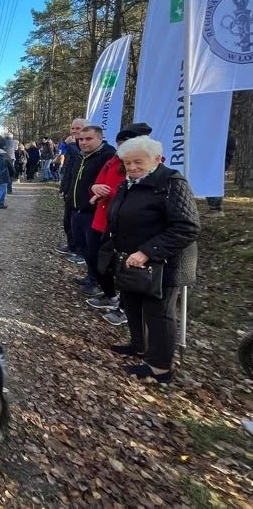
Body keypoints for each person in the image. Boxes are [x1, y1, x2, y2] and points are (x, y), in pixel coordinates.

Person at [106, 136, 199, 384]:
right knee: (132, 303)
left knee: (159, 313)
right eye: (127, 163)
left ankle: (160, 368)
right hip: (133, 259)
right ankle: (138, 346)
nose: (132, 167)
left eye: (138, 162)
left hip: (165, 262)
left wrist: (147, 251)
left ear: (157, 159)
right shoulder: (130, 182)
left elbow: (187, 227)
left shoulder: (171, 183)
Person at [84, 123, 153, 322]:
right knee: (96, 259)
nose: (122, 147)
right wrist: (95, 189)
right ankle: (110, 295)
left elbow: (135, 194)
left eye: (126, 143)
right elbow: (97, 184)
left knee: (123, 267)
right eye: (121, 143)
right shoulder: (113, 161)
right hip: (101, 219)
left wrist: (110, 194)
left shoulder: (145, 164)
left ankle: (124, 308)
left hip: (126, 224)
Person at [68, 126, 116, 295]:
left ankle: (97, 282)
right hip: (76, 209)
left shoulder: (107, 156)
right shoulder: (81, 157)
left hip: (94, 212)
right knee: (83, 247)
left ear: (100, 139)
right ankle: (91, 276)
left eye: (89, 139)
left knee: (94, 250)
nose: (83, 142)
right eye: (81, 139)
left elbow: (111, 184)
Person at [56, 118, 90, 258]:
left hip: (81, 193)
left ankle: (80, 251)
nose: (74, 131)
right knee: (68, 221)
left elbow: (80, 160)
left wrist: (71, 145)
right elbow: (69, 169)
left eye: (78, 128)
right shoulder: (72, 146)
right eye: (73, 128)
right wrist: (63, 187)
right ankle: (72, 245)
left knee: (78, 223)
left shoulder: (82, 147)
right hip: (70, 190)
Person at [205, 133, 236, 218]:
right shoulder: (223, 135)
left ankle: (216, 209)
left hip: (219, 162)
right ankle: (214, 208)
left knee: (213, 181)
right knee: (211, 180)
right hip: (218, 161)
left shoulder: (226, 136)